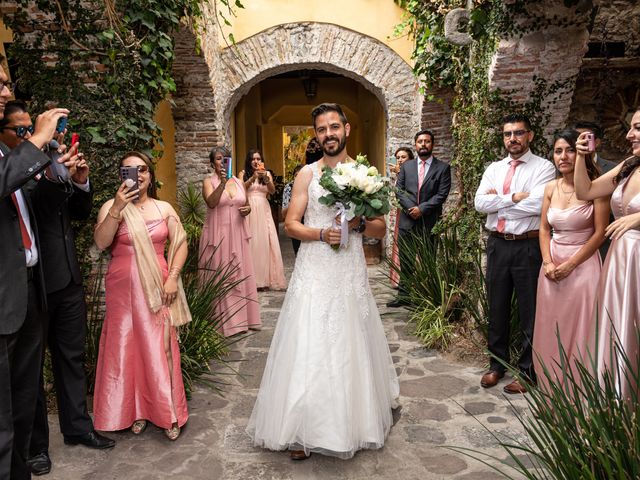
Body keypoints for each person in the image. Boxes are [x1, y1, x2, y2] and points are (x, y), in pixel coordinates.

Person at [246, 102, 399, 460]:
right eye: (321, 129)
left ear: (346, 129)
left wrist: (357, 224)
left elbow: (379, 227)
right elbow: (291, 224)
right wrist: (321, 234)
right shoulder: (306, 175)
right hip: (315, 267)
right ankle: (304, 428)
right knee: (310, 341)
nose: (328, 134)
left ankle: (354, 421)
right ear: (316, 135)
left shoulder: (365, 174)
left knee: (349, 338)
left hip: (349, 269)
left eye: (334, 127)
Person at [0, 101, 114, 476]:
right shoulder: (16, 169)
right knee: (28, 376)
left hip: (65, 278)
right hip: (31, 283)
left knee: (71, 357)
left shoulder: (48, 159)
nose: (27, 136)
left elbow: (75, 215)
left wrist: (78, 180)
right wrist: (49, 174)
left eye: (27, 130)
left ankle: (78, 428)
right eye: (19, 131)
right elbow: (40, 207)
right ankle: (35, 447)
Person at [0, 61, 72, 480]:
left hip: (27, 291)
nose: (7, 90)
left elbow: (35, 211)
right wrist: (39, 139)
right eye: (1, 83)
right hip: (3, 297)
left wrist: (63, 176)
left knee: (24, 399)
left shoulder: (12, 156)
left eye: (8, 81)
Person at [93, 152, 190, 440]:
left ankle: (167, 412)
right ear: (121, 177)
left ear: (150, 175)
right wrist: (118, 207)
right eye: (129, 171)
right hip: (121, 289)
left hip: (158, 287)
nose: (138, 175)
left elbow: (181, 242)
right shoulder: (111, 206)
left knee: (160, 347)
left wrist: (172, 277)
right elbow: (101, 242)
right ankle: (134, 411)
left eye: (143, 170)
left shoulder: (163, 208)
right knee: (126, 347)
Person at [474, 113, 556, 394]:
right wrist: (512, 198)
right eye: (508, 134)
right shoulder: (494, 169)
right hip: (497, 244)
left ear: (529, 136)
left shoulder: (544, 168)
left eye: (519, 133)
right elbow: (479, 203)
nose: (513, 139)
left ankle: (527, 371)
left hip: (527, 245)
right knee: (496, 306)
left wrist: (498, 203)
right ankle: (496, 365)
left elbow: (536, 206)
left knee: (529, 310)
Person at [532, 130, 608, 393]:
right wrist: (548, 262)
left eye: (569, 150)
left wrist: (571, 264)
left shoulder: (597, 186)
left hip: (583, 267)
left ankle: (579, 393)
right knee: (550, 326)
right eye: (557, 151)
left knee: (581, 329)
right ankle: (550, 392)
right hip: (551, 266)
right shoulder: (551, 187)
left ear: (582, 152)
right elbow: (543, 229)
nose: (563, 156)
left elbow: (600, 233)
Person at [574, 106, 640, 400]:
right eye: (631, 127)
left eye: (637, 127)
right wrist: (581, 157)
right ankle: (611, 401)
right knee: (615, 327)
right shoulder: (629, 164)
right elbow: (585, 191)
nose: (629, 134)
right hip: (618, 261)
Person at [199, 147, 260, 336]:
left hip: (238, 234)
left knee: (239, 275)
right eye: (219, 158)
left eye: (226, 158)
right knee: (220, 276)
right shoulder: (208, 182)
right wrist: (223, 183)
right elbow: (211, 202)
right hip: (218, 236)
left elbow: (246, 204)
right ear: (212, 163)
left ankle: (243, 321)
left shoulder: (240, 182)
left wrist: (247, 210)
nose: (223, 161)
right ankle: (222, 323)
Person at [387, 130, 451, 307]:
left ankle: (424, 296)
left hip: (429, 221)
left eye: (427, 141)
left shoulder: (443, 168)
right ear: (415, 145)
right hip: (407, 221)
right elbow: (399, 190)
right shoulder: (406, 167)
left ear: (432, 144)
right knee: (406, 260)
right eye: (420, 141)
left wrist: (422, 209)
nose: (423, 144)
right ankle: (404, 296)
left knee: (427, 260)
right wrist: (410, 209)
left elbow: (442, 194)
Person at [241, 150, 286, 290]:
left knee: (265, 242)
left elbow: (272, 191)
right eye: (253, 159)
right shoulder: (243, 173)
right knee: (251, 243)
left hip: (263, 209)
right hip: (249, 209)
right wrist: (253, 177)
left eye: (258, 159)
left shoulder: (266, 174)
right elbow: (241, 189)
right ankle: (250, 280)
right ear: (249, 161)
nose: (256, 161)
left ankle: (264, 279)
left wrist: (266, 179)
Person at [574, 120, 617, 260]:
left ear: (596, 142)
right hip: (572, 239)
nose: (581, 142)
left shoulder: (612, 169)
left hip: (604, 241)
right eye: (577, 138)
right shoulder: (566, 166)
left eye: (586, 138)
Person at [388, 147, 414, 288]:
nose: (400, 160)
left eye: (403, 157)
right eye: (398, 157)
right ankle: (399, 280)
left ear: (410, 159)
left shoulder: (413, 172)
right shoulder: (398, 174)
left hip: (411, 210)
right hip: (400, 211)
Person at [281, 164, 304, 255]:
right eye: (296, 176)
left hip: (311, 221)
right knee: (298, 251)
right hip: (295, 221)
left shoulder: (312, 186)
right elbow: (283, 213)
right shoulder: (289, 187)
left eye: (301, 175)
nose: (298, 178)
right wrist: (295, 199)